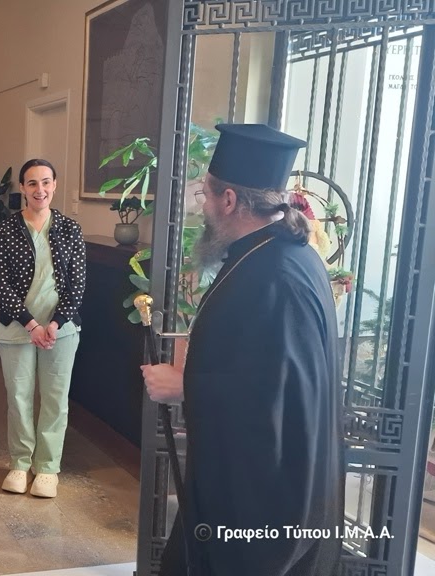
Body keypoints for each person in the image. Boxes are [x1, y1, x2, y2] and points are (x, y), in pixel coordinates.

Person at [141, 124, 343, 576]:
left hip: (265, 507)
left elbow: (282, 395)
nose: (204, 207)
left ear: (229, 200)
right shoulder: (277, 254)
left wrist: (185, 387)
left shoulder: (278, 276)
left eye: (205, 195)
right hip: (247, 485)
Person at [0, 158, 85, 499]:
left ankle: (47, 468)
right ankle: (19, 463)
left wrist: (54, 324)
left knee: (55, 399)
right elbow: (0, 283)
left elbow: (77, 284)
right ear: (22, 188)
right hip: (17, 328)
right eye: (32, 183)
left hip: (61, 330)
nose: (39, 189)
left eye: (46, 182)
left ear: (55, 185)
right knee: (19, 398)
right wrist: (31, 324)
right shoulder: (7, 229)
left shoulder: (70, 229)